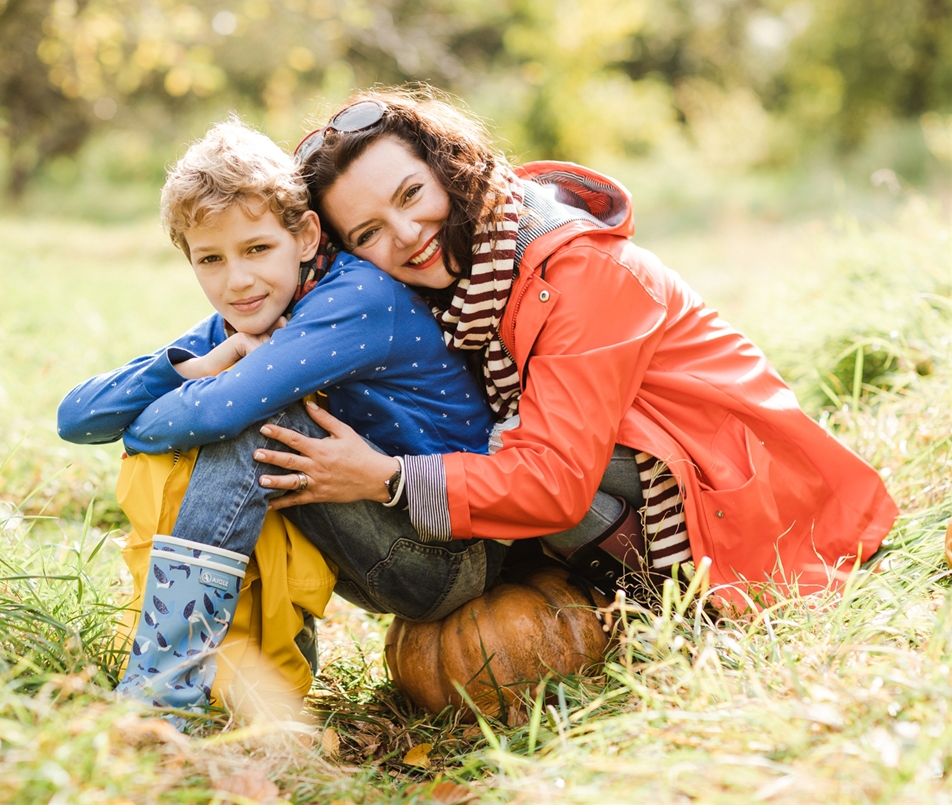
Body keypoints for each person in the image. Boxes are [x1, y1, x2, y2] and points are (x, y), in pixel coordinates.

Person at [242, 87, 897, 611]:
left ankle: (651, 595)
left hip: (747, 502)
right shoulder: (458, 284)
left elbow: (553, 484)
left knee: (500, 450)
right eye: (369, 232)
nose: (408, 234)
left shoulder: (576, 272)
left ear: (448, 165)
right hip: (636, 458)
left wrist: (385, 480)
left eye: (412, 194)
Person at [55, 119, 504, 714]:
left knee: (262, 423)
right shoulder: (253, 311)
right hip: (375, 538)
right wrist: (199, 362)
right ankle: (262, 677)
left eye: (257, 248)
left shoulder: (358, 297)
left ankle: (163, 696)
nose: (236, 279)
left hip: (448, 554)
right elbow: (76, 417)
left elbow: (212, 415)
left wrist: (163, 413)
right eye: (209, 259)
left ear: (308, 235)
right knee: (258, 425)